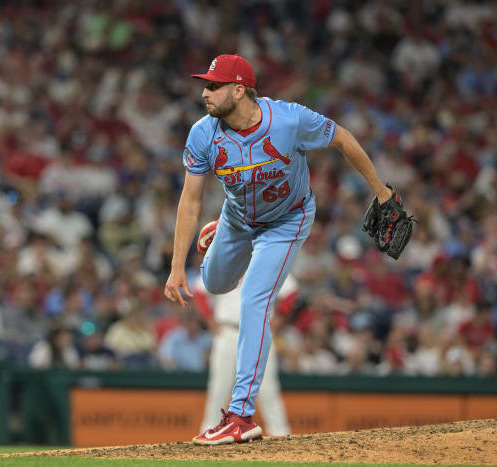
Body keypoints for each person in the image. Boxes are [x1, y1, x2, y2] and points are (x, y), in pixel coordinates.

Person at [164, 54, 393, 445]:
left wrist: (382, 191)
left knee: (254, 298)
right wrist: (175, 267)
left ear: (239, 90)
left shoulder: (289, 119)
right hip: (238, 218)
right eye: (206, 84)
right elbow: (189, 200)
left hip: (287, 220)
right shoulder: (203, 133)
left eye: (213, 86)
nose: (205, 92)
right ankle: (219, 231)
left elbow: (342, 138)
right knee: (216, 284)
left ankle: (240, 416)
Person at [193, 276, 296, 437]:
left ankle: (280, 434)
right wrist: (210, 320)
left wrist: (277, 322)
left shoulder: (266, 255)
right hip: (228, 330)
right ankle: (208, 432)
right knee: (220, 387)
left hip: (258, 332)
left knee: (268, 389)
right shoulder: (228, 255)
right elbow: (199, 290)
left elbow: (291, 291)